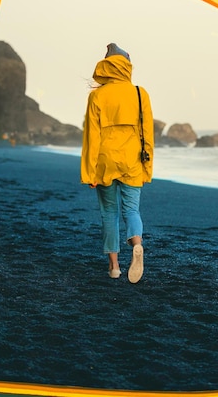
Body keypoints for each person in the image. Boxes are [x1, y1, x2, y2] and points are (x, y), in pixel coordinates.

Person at [81, 43, 154, 283]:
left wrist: (89, 172)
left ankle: (114, 266)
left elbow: (92, 137)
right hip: (132, 161)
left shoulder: (97, 96)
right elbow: (148, 135)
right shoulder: (139, 93)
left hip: (105, 162)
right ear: (127, 65)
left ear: (106, 65)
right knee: (131, 210)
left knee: (109, 214)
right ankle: (136, 243)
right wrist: (147, 169)